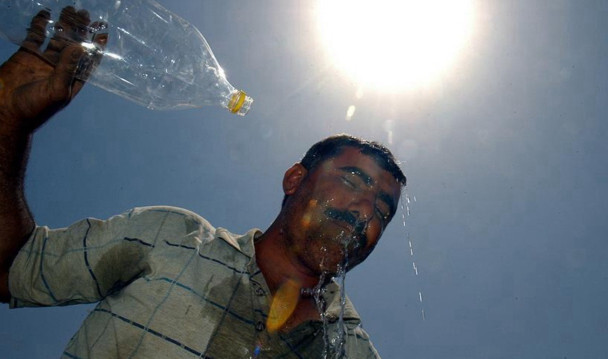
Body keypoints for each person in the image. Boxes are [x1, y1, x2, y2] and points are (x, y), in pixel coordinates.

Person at [0, 8, 406, 359]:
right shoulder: (168, 240)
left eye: (383, 210)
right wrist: (8, 117)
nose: (365, 210)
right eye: (353, 180)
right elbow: (12, 268)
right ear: (295, 179)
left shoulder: (351, 350)